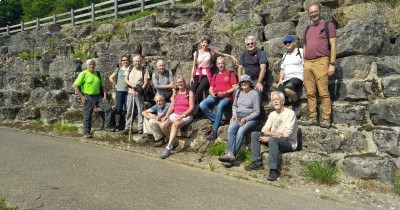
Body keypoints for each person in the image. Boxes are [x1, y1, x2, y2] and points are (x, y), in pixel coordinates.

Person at [245, 91, 298, 181]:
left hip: (288, 143)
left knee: (273, 140)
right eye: (273, 100)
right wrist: (273, 134)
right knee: (255, 134)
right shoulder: (272, 114)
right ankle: (256, 162)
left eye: (277, 99)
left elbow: (287, 133)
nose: (275, 102)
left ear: (283, 101)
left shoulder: (290, 113)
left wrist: (270, 138)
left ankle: (274, 170)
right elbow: (264, 130)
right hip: (275, 139)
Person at [302, 3, 337, 128]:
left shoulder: (328, 25)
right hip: (308, 62)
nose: (313, 14)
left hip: (322, 61)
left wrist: (332, 64)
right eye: (311, 12)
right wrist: (304, 62)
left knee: (323, 92)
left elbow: (333, 45)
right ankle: (312, 117)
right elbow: (305, 46)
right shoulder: (307, 29)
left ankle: (326, 118)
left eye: (315, 11)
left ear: (320, 11)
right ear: (308, 14)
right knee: (310, 92)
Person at [218, 74, 260, 168]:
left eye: (246, 81)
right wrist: (234, 115)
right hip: (238, 116)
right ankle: (230, 155)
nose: (244, 83)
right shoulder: (238, 92)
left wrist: (246, 119)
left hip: (250, 118)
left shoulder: (254, 94)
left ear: (249, 83)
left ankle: (231, 155)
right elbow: (234, 105)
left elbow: (257, 112)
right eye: (242, 82)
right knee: (231, 129)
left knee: (240, 131)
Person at [72, 59, 113, 138]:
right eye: (90, 64)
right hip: (88, 96)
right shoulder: (83, 73)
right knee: (88, 114)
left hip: (98, 96)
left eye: (93, 64)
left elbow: (103, 86)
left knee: (108, 108)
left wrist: (104, 96)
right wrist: (82, 97)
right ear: (87, 66)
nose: (92, 66)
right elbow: (74, 86)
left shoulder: (97, 73)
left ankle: (107, 126)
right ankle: (86, 132)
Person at [190, 35, 237, 104]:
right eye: (204, 42)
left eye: (207, 43)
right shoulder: (196, 53)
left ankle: (199, 107)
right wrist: (191, 77)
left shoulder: (210, 52)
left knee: (199, 90)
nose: (205, 44)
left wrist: (231, 56)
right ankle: (195, 107)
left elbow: (221, 54)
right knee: (192, 91)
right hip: (197, 73)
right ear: (201, 43)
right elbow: (194, 66)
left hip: (206, 74)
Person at [199, 57, 237, 141]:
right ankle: (217, 120)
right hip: (214, 96)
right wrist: (211, 92)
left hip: (226, 97)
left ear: (225, 64)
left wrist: (224, 92)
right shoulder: (215, 75)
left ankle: (214, 131)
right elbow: (210, 88)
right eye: (219, 63)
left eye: (222, 63)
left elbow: (235, 87)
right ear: (217, 65)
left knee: (220, 106)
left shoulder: (230, 73)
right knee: (202, 105)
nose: (221, 65)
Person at [159, 75, 195, 159]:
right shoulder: (175, 93)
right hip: (175, 114)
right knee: (162, 125)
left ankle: (168, 147)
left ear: (184, 82)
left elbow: (191, 107)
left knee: (175, 125)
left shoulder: (189, 92)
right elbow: (172, 106)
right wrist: (167, 115)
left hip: (186, 115)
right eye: (178, 82)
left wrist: (183, 115)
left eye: (181, 82)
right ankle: (173, 142)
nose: (180, 84)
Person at [278, 35, 304, 116]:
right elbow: (282, 69)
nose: (287, 44)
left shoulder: (301, 51)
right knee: (276, 94)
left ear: (295, 42)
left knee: (287, 90)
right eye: (285, 43)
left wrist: (306, 79)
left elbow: (306, 65)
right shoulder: (285, 55)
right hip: (286, 79)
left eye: (289, 42)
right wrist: (280, 80)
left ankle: (296, 103)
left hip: (297, 77)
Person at [124, 55, 150, 134]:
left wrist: (140, 90)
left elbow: (145, 82)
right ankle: (127, 127)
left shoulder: (144, 70)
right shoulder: (130, 68)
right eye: (136, 61)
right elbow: (125, 79)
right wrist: (132, 85)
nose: (137, 63)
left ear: (141, 62)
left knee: (140, 110)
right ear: (133, 61)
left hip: (139, 93)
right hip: (130, 92)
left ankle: (140, 128)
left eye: (139, 61)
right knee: (129, 110)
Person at [109, 55, 130, 131]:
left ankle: (126, 125)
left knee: (127, 108)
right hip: (120, 91)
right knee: (118, 108)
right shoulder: (118, 69)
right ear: (121, 61)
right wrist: (116, 84)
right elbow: (111, 77)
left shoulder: (130, 69)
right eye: (123, 60)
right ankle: (117, 125)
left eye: (126, 60)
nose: (125, 61)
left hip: (128, 91)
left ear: (128, 61)